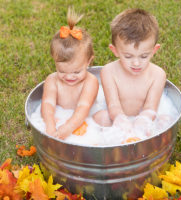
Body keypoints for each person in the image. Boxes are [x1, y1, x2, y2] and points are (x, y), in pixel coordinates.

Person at [94, 8, 166, 136]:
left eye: (143, 56)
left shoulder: (158, 75)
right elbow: (113, 105)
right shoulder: (109, 72)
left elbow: (150, 107)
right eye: (128, 56)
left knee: (165, 120)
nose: (136, 63)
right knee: (100, 117)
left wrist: (143, 119)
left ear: (154, 50)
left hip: (145, 118)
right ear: (115, 50)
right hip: (116, 117)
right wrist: (120, 119)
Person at [41, 8, 99, 140]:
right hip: (62, 117)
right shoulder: (52, 80)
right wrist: (50, 125)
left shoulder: (90, 82)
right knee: (48, 119)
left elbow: (83, 107)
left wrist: (68, 128)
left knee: (103, 119)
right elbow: (48, 104)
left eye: (76, 71)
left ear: (89, 62)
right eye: (61, 71)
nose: (69, 77)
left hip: (85, 119)